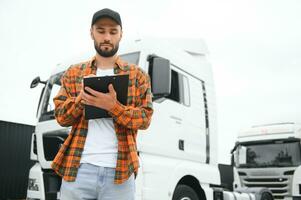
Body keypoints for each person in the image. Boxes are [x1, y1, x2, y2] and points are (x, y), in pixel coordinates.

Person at [51, 8, 153, 200]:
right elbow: (61, 117)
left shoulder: (138, 75)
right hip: (78, 169)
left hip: (120, 172)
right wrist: (80, 100)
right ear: (91, 32)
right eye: (101, 31)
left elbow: (145, 118)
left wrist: (113, 107)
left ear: (121, 34)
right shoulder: (73, 73)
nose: (107, 37)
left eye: (113, 32)